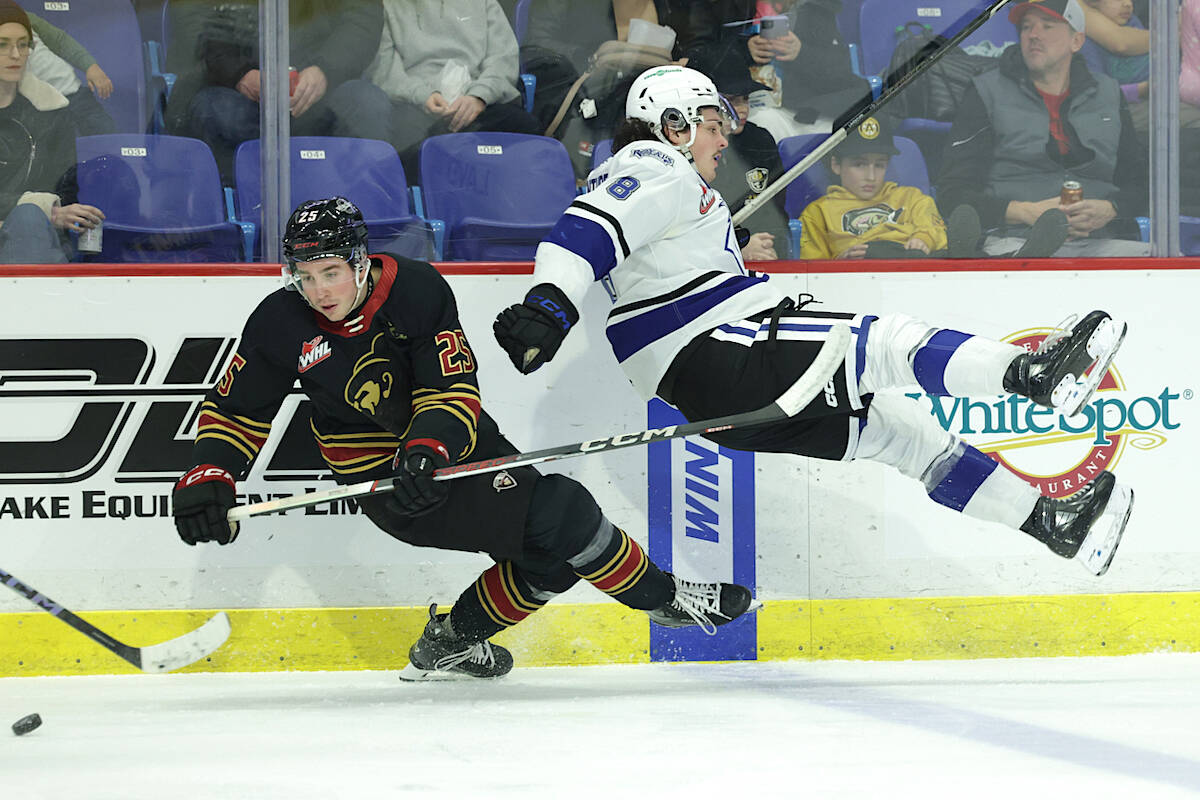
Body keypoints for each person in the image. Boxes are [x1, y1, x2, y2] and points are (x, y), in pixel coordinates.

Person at [493, 65, 1134, 580]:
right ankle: (1032, 374)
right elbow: (580, 236)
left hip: (714, 394)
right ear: (673, 126)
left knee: (905, 434)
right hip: (718, 355)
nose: (724, 139)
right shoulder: (652, 167)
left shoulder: (675, 185)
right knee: (884, 342)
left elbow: (636, 251)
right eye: (713, 124)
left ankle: (1051, 520)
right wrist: (549, 306)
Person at [170, 196, 757, 680]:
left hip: (453, 445)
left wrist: (426, 449)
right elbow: (235, 412)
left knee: (551, 560)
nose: (320, 290)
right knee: (564, 511)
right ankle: (665, 599)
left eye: (330, 272)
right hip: (382, 480)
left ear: (358, 261)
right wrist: (209, 476)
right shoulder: (279, 321)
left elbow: (450, 392)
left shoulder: (416, 290)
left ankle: (448, 641)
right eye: (305, 276)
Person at [935, 0, 1150, 258]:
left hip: (1097, 243)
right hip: (1012, 240)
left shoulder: (1109, 94)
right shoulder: (985, 92)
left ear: (1076, 41)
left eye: (1047, 26)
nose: (1033, 35)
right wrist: (1023, 212)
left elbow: (1141, 185)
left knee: (1168, 266)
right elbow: (952, 194)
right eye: (1026, 27)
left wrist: (1110, 209)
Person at [166, 0, 392, 180]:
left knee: (368, 103)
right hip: (231, 89)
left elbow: (363, 18)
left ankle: (352, 217)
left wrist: (325, 70)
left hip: (321, 91)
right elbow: (196, 23)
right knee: (214, 111)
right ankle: (244, 216)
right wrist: (240, 74)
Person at [798, 114, 1067, 260]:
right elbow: (808, 269)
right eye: (859, 164)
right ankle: (1006, 260)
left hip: (920, 264)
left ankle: (1016, 259)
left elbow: (936, 231)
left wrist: (923, 239)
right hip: (867, 269)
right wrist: (837, 265)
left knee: (947, 252)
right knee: (878, 251)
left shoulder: (910, 197)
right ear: (836, 165)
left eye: (879, 165)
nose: (871, 175)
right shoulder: (818, 212)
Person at [367, 0, 542, 180]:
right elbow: (385, 69)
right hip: (416, 105)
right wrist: (423, 95)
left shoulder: (484, 3)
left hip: (478, 103)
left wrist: (479, 95)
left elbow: (503, 59)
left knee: (526, 128)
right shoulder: (387, 5)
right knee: (409, 142)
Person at [675, 0, 871, 142]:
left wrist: (802, 52)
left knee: (845, 134)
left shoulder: (816, 8)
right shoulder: (720, 5)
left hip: (806, 108)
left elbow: (841, 71)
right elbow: (692, 59)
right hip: (745, 107)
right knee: (764, 124)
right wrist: (745, 49)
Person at [0, 0, 103, 264]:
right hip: (27, 228)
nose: (15, 55)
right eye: (3, 45)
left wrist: (68, 215)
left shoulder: (51, 110)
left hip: (34, 240)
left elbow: (65, 189)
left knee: (113, 171)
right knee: (29, 217)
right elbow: (46, 209)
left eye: (23, 44)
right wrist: (47, 210)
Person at [705, 54, 785, 261]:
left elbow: (778, 205)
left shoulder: (760, 139)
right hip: (715, 253)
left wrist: (767, 244)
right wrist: (737, 248)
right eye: (732, 100)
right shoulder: (692, 149)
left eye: (746, 99)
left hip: (767, 246)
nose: (742, 109)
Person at [23, 8, 115, 136]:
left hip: (72, 94)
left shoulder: (22, 16)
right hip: (29, 110)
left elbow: (60, 41)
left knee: (108, 142)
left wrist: (90, 66)